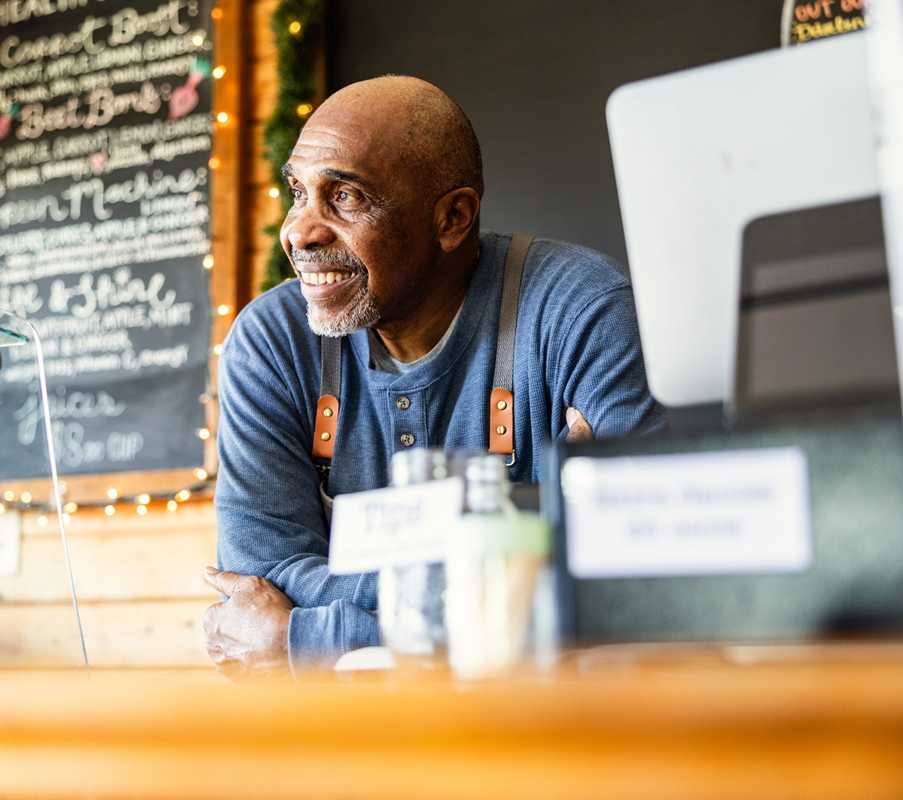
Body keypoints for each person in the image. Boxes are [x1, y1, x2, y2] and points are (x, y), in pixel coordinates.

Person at [202, 75, 665, 680]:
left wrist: (309, 634)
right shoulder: (272, 341)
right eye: (299, 192)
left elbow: (635, 586)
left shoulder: (580, 309)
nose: (300, 231)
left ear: (452, 217)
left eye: (344, 198)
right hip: (348, 744)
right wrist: (521, 562)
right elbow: (255, 579)